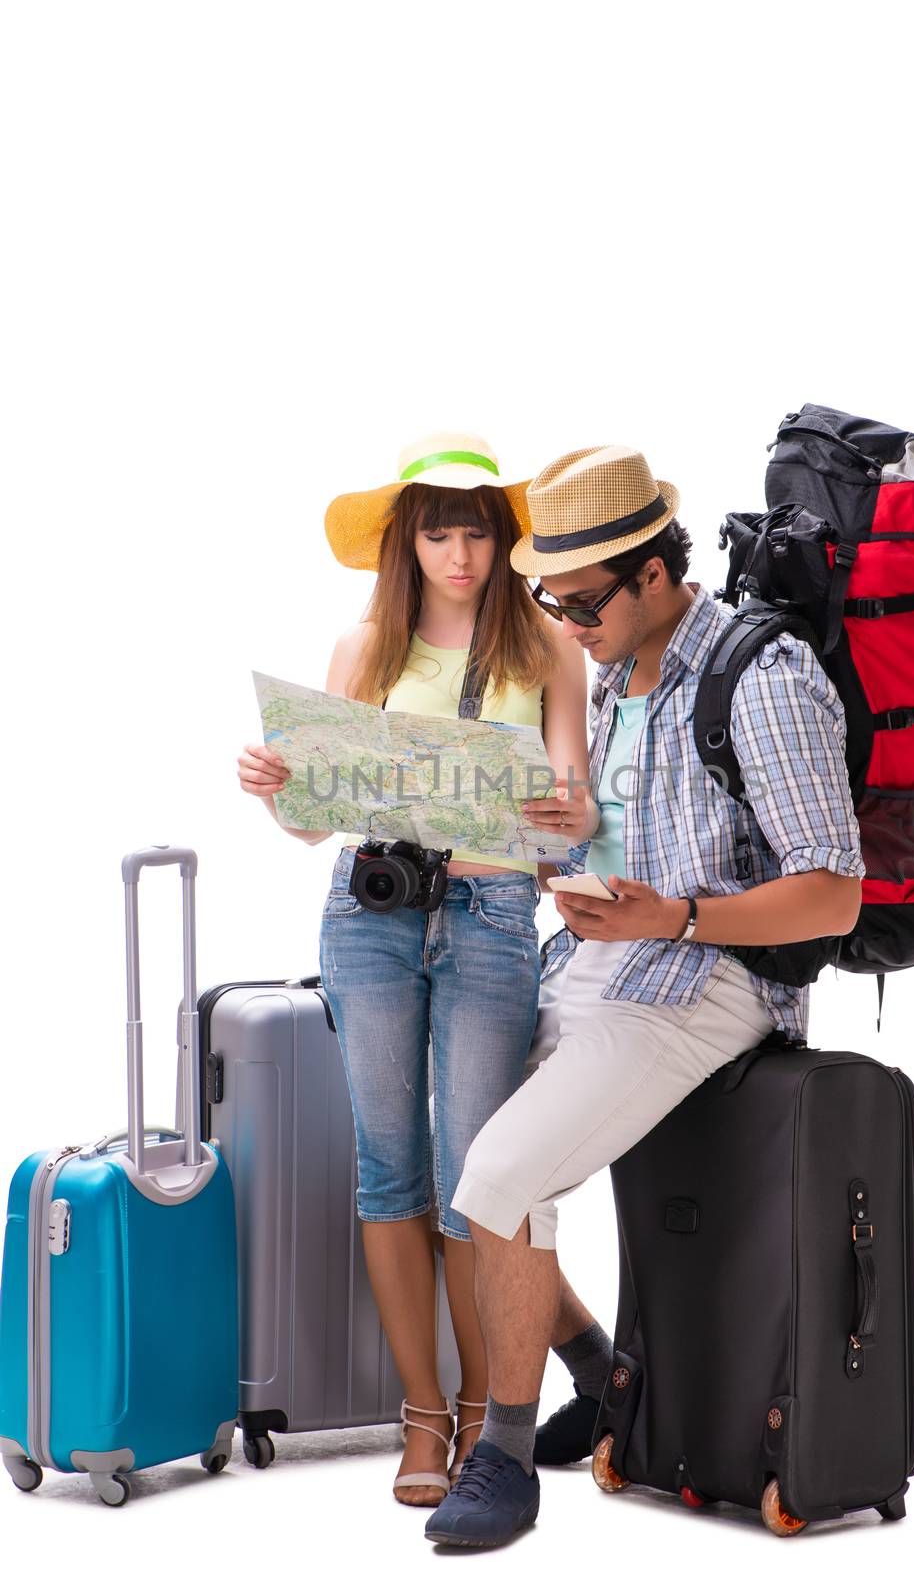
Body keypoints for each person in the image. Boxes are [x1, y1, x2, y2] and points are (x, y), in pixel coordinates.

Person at [424, 444, 865, 1548]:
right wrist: (537, 853)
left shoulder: (763, 678)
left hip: (706, 981)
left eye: (582, 602)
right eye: (550, 601)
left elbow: (834, 896)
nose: (566, 624)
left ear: (657, 573)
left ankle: (505, 1458)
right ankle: (600, 1371)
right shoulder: (620, 673)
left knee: (504, 1170)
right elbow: (618, 841)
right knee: (467, 1175)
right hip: (594, 962)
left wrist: (670, 915)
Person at [236, 432, 594, 1508]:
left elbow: (574, 816)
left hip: (491, 913)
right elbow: (318, 822)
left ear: (501, 539)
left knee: (480, 1179)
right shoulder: (365, 649)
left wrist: (568, 812)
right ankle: (423, 1416)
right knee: (389, 1172)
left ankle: (491, 1418)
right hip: (371, 912)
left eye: (474, 530)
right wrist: (273, 784)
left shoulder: (548, 649)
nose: (457, 552)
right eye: (437, 530)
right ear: (407, 540)